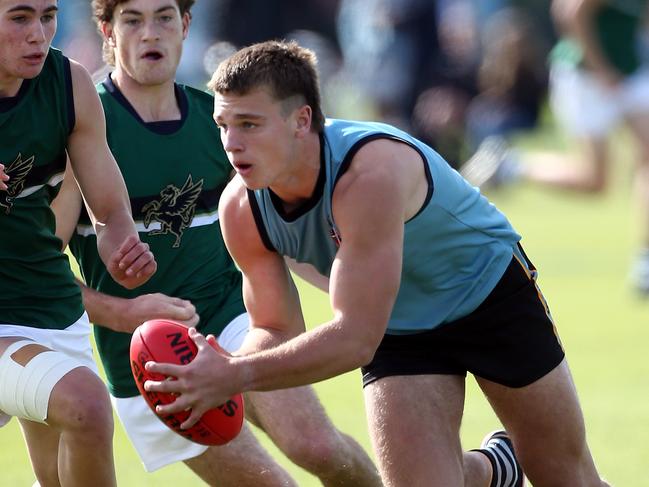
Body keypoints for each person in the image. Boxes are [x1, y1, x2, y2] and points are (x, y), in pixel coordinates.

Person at [142, 40, 613, 487]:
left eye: (249, 124)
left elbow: (354, 338)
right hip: (399, 327)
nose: (231, 142)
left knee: (564, 477)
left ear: (301, 120)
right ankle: (492, 471)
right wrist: (225, 364)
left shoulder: (370, 174)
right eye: (223, 125)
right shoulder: (241, 209)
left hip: (488, 295)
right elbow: (274, 325)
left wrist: (235, 376)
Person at [52, 2, 382, 485]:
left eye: (165, 17)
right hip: (152, 357)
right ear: (107, 30)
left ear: (186, 25)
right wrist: (123, 312)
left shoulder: (221, 122)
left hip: (235, 320)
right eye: (133, 20)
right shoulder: (84, 132)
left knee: (322, 448)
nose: (151, 34)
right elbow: (41, 273)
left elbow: (278, 231)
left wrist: (351, 290)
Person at [0, 1, 156, 486]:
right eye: (20, 18)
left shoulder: (68, 84)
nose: (39, 34)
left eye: (48, 17)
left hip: (49, 311)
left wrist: (121, 247)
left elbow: (108, 211)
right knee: (86, 402)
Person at [462, 0, 649, 294]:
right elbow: (569, 12)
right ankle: (511, 165)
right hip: (585, 76)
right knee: (593, 180)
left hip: (628, 73)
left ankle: (645, 263)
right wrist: (602, 71)